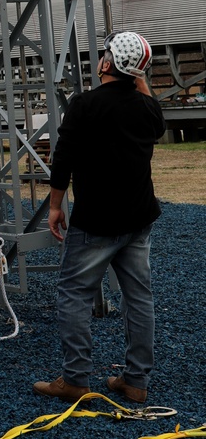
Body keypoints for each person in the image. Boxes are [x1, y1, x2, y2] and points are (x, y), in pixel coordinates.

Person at [34, 30, 164, 405]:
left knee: (74, 294)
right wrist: (138, 77)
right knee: (139, 297)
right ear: (138, 72)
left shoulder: (85, 104)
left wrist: (56, 205)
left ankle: (75, 379)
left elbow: (65, 158)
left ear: (108, 63)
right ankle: (135, 381)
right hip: (139, 218)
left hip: (96, 220)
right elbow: (155, 121)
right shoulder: (147, 108)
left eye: (104, 55)